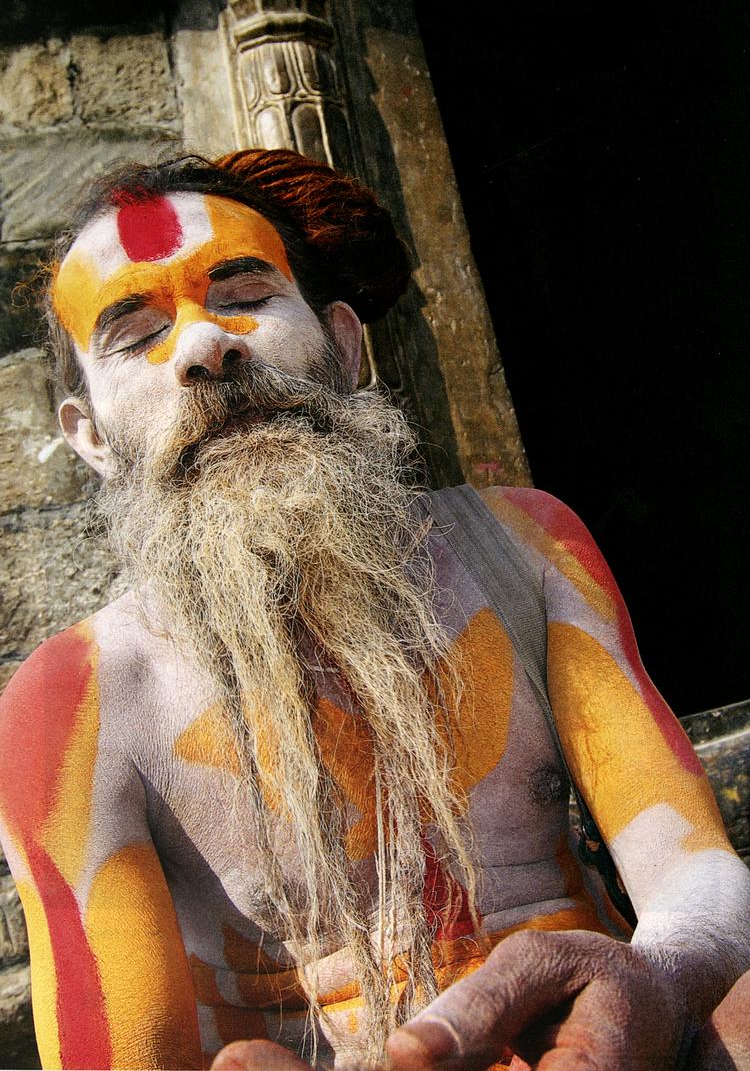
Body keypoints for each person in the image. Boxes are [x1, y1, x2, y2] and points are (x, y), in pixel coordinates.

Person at [0, 149, 747, 1071]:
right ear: (91, 440)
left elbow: (698, 878)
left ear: (346, 346)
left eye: (244, 293)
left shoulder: (524, 547)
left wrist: (664, 981)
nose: (205, 347)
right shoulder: (71, 704)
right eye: (135, 333)